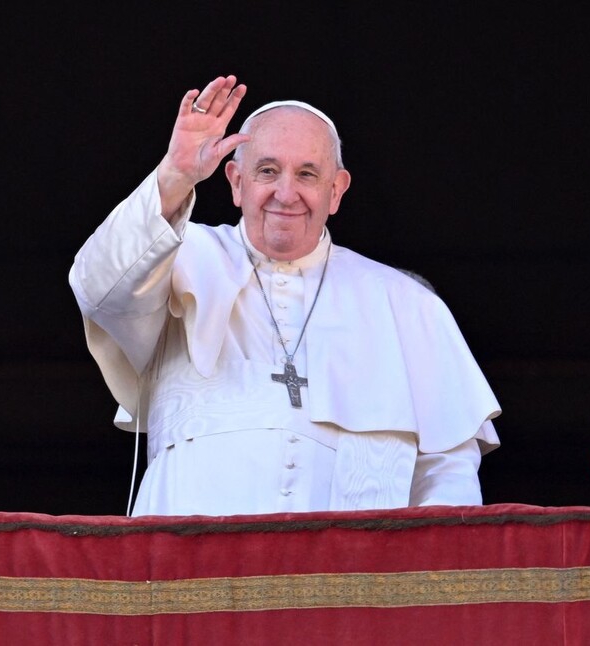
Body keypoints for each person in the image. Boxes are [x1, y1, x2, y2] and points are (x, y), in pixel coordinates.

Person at [69, 75, 501, 517]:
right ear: (236, 181)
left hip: (349, 580)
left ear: (336, 191)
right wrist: (174, 177)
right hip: (189, 574)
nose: (286, 193)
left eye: (308, 174)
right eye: (268, 171)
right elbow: (99, 288)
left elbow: (448, 474)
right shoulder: (177, 256)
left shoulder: (407, 305)